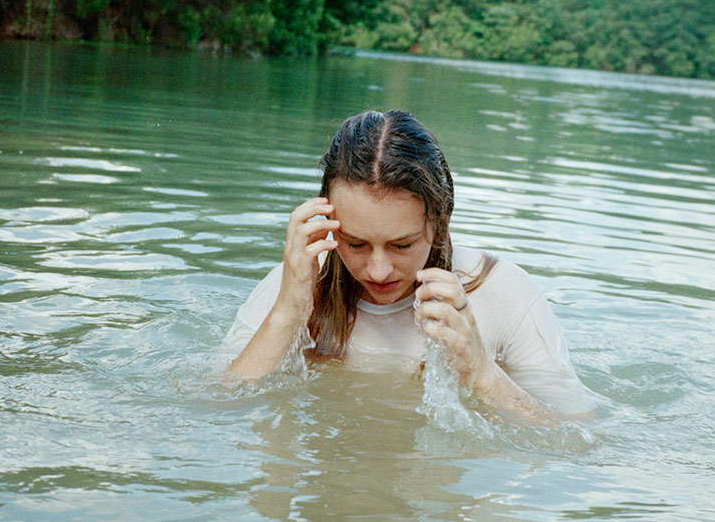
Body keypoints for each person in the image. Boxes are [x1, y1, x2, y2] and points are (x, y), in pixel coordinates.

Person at [222, 110, 596, 421]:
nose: (379, 270)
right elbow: (216, 406)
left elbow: (577, 439)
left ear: (440, 218)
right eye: (355, 243)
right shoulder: (297, 282)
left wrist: (481, 373)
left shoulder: (503, 294)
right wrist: (288, 313)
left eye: (402, 245)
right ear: (327, 218)